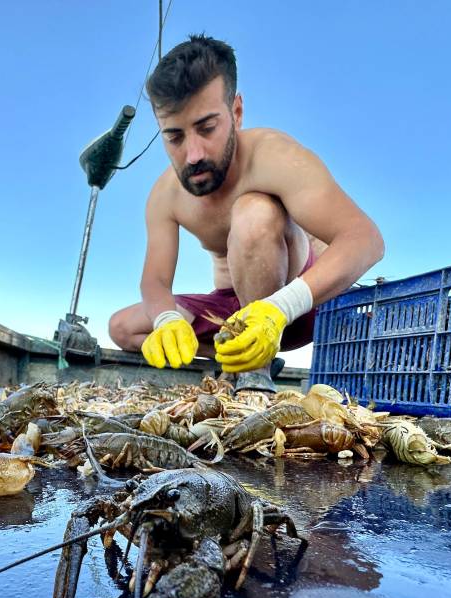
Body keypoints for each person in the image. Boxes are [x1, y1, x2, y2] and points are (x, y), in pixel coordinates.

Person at [108, 35, 384, 391]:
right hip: (229, 310)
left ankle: (256, 374)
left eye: (207, 128)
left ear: (236, 113)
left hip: (296, 305)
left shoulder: (274, 156)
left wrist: (277, 309)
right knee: (124, 326)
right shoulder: (165, 195)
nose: (193, 154)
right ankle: (237, 356)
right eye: (174, 137)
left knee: (253, 213)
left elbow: (366, 240)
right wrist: (165, 319)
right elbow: (155, 281)